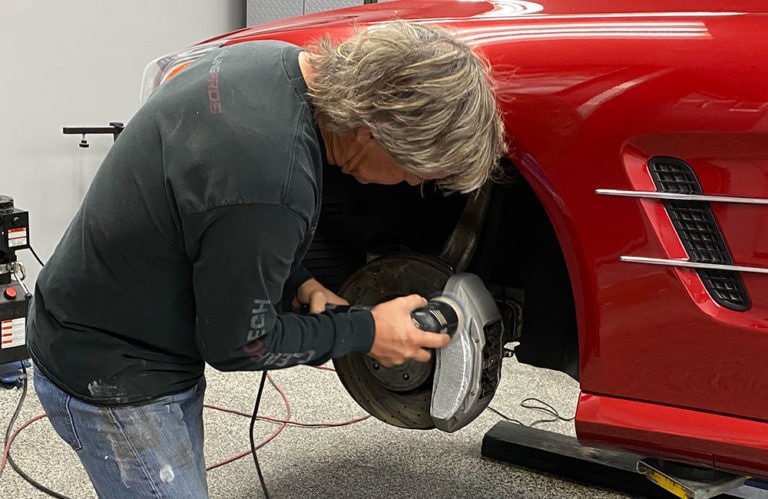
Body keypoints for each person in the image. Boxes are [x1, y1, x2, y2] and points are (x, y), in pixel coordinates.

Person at [28, 21, 506, 497]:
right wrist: (370, 332)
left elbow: (217, 217)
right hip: (111, 373)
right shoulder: (271, 186)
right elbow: (239, 346)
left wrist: (299, 280)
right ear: (369, 133)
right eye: (412, 171)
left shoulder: (273, 61)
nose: (406, 184)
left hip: (102, 316)